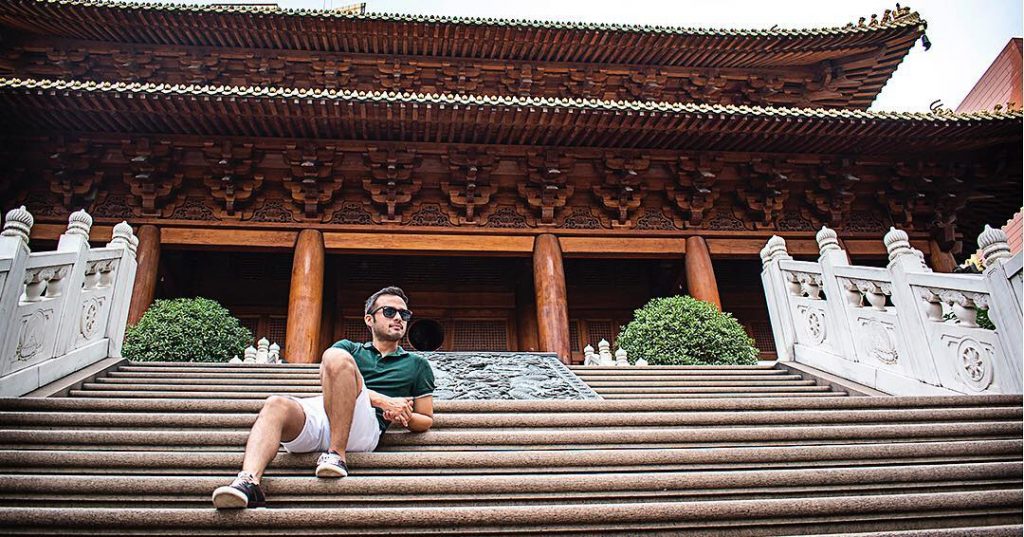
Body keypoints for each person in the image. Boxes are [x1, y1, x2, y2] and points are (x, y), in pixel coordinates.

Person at [212, 286, 435, 508]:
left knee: (337, 357)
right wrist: (383, 400)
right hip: (328, 412)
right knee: (276, 403)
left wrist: (404, 416)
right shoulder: (350, 349)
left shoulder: (417, 365)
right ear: (369, 319)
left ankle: (336, 455)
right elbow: (331, 369)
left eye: (404, 314)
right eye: (389, 312)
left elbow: (426, 418)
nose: (398, 318)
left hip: (362, 429)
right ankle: (248, 481)